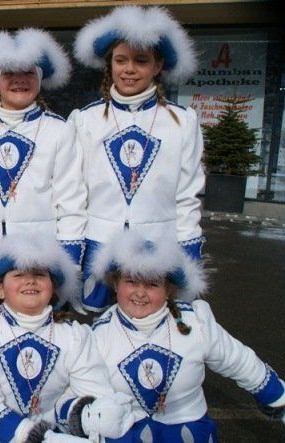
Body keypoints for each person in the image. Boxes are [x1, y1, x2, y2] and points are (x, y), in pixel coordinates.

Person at [69, 5, 205, 312]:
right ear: (110, 64)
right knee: (97, 328)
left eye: (141, 60)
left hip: (157, 247)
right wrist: (73, 250)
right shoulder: (85, 120)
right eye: (121, 60)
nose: (129, 69)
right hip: (98, 244)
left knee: (148, 325)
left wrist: (189, 248)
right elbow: (74, 192)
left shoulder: (182, 122)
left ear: (158, 66)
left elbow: (187, 195)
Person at [89, 230, 285, 441]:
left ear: (168, 290)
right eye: (131, 282)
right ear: (115, 284)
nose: (140, 293)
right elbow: (85, 390)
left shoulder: (195, 322)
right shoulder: (99, 335)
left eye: (152, 284)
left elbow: (238, 360)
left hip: (188, 428)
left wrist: (278, 397)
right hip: (126, 430)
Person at [0, 235, 135, 442]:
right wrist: (39, 438)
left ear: (53, 288)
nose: (30, 281)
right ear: (0, 289)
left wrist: (92, 416)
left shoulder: (74, 335)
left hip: (54, 433)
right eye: (18, 274)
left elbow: (92, 393)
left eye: (40, 274)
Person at [0, 28, 86, 266]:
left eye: (29, 72)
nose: (19, 79)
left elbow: (71, 199)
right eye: (9, 73)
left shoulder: (60, 130)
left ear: (39, 81)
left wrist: (69, 260)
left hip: (40, 250)